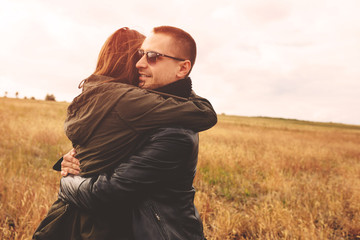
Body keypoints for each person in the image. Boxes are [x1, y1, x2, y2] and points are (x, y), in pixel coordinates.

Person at [33, 26, 216, 240]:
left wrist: (68, 179)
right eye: (139, 55)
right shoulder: (140, 113)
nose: (139, 63)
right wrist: (74, 160)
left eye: (153, 56)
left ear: (183, 68)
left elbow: (105, 192)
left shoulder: (174, 132)